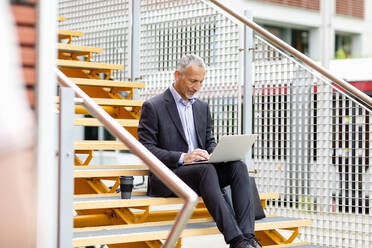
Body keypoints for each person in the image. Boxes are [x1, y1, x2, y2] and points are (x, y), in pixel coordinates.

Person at [138, 54, 261, 248]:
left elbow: (209, 141)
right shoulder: (153, 106)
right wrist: (183, 157)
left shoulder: (202, 107)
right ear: (177, 75)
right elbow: (145, 150)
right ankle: (236, 241)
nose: (197, 87)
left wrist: (214, 154)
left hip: (203, 173)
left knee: (237, 166)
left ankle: (248, 236)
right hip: (171, 176)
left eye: (201, 82)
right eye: (193, 81)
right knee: (206, 170)